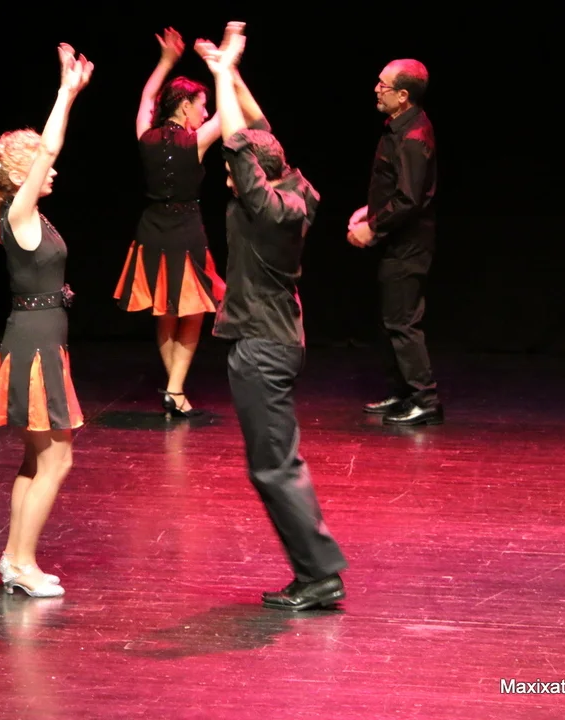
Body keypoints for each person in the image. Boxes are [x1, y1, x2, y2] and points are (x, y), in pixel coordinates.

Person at [197, 25, 348, 611]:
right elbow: (256, 131)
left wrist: (219, 72)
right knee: (274, 462)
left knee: (273, 467)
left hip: (261, 346)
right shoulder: (297, 191)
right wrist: (232, 71)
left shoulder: (262, 210)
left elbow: (240, 142)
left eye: (233, 176)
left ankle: (319, 574)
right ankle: (317, 572)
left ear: (252, 177)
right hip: (279, 339)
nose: (228, 182)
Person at [0, 43, 94, 598]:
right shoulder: (18, 213)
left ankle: (12, 559)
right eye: (40, 165)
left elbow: (47, 153)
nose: (53, 169)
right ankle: (22, 562)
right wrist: (66, 92)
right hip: (35, 344)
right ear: (21, 174)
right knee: (58, 458)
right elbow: (49, 147)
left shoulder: (30, 217)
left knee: (36, 457)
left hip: (40, 339)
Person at [112, 27, 226, 418]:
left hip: (151, 229)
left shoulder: (146, 136)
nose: (205, 113)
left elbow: (147, 99)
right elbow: (228, 115)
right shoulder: (196, 141)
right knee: (191, 311)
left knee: (164, 309)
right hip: (186, 229)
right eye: (201, 105)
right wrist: (221, 66)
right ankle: (175, 390)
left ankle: (174, 391)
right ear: (184, 106)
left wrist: (164, 62)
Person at [346, 58, 442, 426]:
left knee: (403, 323)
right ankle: (402, 393)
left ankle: (425, 399)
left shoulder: (414, 137)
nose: (376, 89)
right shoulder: (399, 127)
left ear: (403, 95)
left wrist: (373, 227)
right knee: (390, 321)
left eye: (383, 85)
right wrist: (369, 212)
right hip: (397, 241)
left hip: (409, 245)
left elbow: (409, 199)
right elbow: (396, 188)